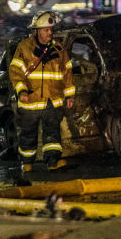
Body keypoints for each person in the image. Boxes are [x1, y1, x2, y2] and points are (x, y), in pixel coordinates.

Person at [9, 11, 74, 174]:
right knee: (28, 133)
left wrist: (70, 95)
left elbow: (67, 74)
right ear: (37, 30)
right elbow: (15, 72)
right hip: (31, 98)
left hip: (52, 100)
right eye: (46, 29)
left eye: (51, 29)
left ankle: (52, 161)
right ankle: (27, 163)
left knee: (52, 133)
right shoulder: (24, 47)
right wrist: (22, 90)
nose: (50, 32)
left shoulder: (59, 49)